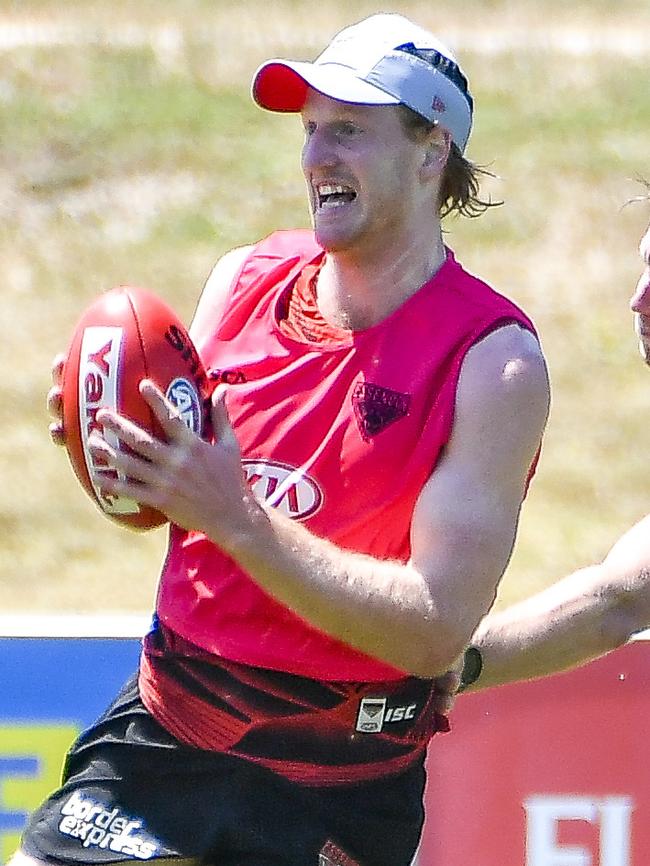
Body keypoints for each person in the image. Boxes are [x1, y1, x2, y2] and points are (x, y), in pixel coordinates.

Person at [15, 12, 550, 866]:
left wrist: (238, 517)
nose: (314, 159)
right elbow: (183, 502)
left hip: (335, 790)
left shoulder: (492, 363)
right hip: (162, 736)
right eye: (309, 131)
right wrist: (121, 448)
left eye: (348, 131)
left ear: (430, 150)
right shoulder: (241, 280)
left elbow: (434, 633)